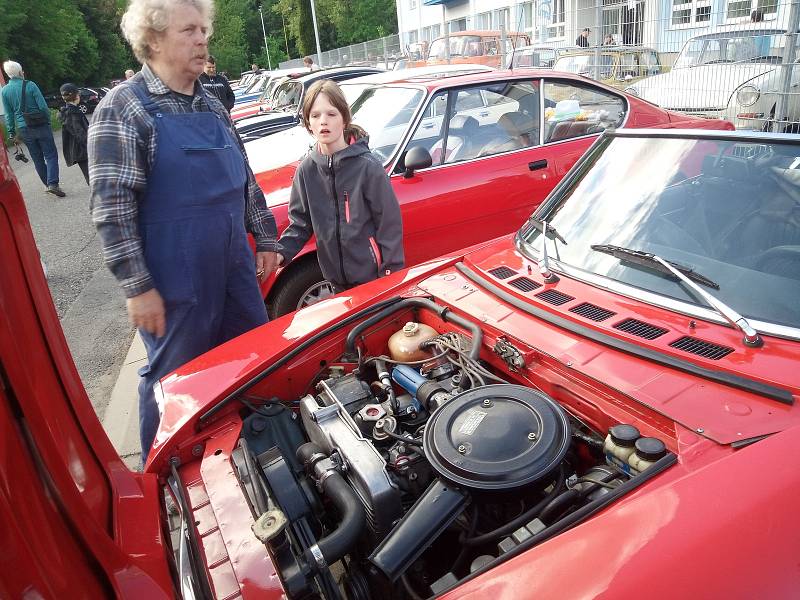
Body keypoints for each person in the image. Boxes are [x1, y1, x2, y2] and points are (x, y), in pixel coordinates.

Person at [88, 0, 279, 462]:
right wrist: (137, 287)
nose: (202, 40)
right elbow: (112, 210)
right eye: (189, 31)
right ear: (152, 41)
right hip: (174, 282)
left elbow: (245, 179)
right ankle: (162, 477)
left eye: (204, 30)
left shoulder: (212, 104)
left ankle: (254, 457)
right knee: (174, 383)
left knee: (252, 363)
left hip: (233, 268)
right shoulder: (125, 109)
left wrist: (266, 236)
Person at [276, 80, 404, 295]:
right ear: (308, 123)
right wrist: (280, 253)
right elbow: (300, 223)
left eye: (331, 114)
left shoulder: (368, 167)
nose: (323, 121)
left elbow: (389, 226)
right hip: (335, 283)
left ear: (344, 118)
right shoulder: (306, 171)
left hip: (374, 281)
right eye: (315, 115)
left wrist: (390, 276)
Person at [1, 60, 66, 197]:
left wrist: (12, 132)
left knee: (37, 158)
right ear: (20, 72)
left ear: (8, 74)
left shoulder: (5, 91)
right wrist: (48, 122)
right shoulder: (30, 85)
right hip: (40, 125)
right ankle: (53, 183)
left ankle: (48, 185)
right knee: (50, 154)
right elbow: (43, 107)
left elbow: (9, 114)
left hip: (24, 129)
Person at [58, 83, 90, 185]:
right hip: (83, 150)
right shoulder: (73, 113)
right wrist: (91, 144)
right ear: (76, 96)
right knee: (92, 177)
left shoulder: (67, 111)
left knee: (90, 176)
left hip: (79, 151)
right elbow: (79, 133)